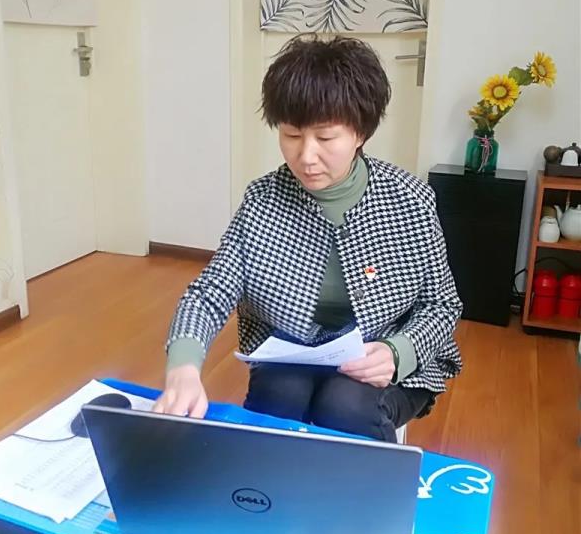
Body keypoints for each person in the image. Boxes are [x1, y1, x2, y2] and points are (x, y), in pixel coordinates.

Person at [154, 35, 462, 442]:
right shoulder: (263, 200)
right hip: (293, 351)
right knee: (278, 396)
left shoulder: (409, 200)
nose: (306, 156)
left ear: (360, 133)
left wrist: (398, 351)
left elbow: (442, 304)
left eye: (326, 138)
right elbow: (210, 292)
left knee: (344, 406)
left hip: (383, 353)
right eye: (292, 135)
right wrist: (183, 368)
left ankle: (371, 485)